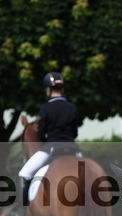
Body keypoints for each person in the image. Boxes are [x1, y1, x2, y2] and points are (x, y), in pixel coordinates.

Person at [17, 71, 81, 202]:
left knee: (24, 174)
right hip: (73, 149)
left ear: (48, 89)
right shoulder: (71, 107)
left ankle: (26, 211)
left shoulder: (46, 108)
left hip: (52, 149)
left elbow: (41, 133)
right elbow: (74, 133)